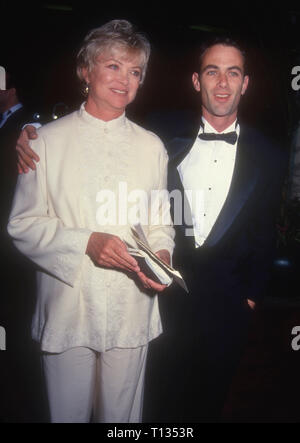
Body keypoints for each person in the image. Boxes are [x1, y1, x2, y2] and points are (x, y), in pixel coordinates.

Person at [7, 19, 174, 423]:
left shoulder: (152, 147)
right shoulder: (43, 141)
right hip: (68, 303)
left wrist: (163, 255)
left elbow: (160, 223)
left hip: (131, 303)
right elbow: (22, 224)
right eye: (113, 65)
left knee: (122, 420)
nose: (125, 80)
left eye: (135, 71)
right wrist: (86, 242)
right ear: (86, 70)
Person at [144, 36, 287, 422]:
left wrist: (252, 297)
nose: (222, 83)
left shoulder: (271, 156)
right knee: (154, 406)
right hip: (160, 303)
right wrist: (30, 135)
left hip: (229, 311)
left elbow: (265, 230)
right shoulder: (157, 137)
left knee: (208, 407)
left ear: (245, 84)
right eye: (212, 71)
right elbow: (105, 135)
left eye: (232, 72)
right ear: (196, 81)